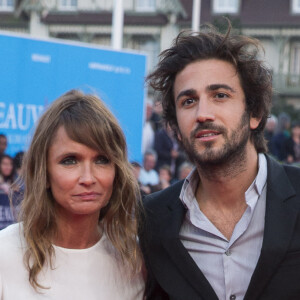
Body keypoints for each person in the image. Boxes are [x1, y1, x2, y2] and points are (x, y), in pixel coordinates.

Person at [139, 23, 300, 300]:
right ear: (175, 126)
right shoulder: (151, 219)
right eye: (188, 101)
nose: (203, 113)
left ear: (255, 113)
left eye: (220, 95)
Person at [0, 90, 145, 299]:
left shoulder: (135, 261)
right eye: (70, 160)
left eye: (102, 160)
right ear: (44, 173)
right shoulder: (5, 253)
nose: (88, 178)